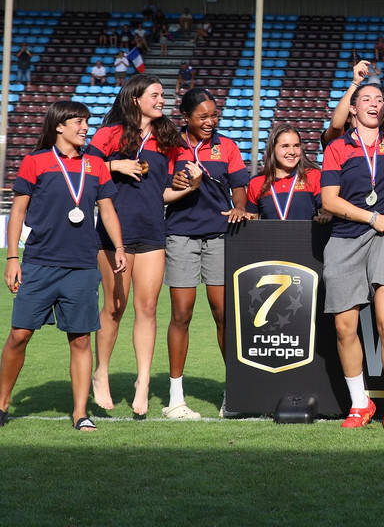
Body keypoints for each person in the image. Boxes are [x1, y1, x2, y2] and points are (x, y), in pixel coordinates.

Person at [0, 102, 126, 431]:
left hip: (83, 267)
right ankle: (1, 404)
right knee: (19, 335)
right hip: (40, 264)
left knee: (81, 340)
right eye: (79, 122)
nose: (86, 127)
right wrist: (13, 257)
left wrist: (120, 247)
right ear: (59, 126)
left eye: (87, 121)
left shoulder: (96, 164)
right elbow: (17, 213)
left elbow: (108, 210)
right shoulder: (35, 162)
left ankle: (80, 413)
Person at [87, 74, 183, 415]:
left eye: (162, 95)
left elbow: (166, 190)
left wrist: (190, 185)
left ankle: (142, 382)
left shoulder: (168, 137)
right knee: (114, 308)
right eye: (155, 95)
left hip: (153, 233)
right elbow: (83, 168)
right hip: (114, 237)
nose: (162, 100)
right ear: (134, 99)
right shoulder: (108, 134)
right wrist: (114, 164)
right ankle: (101, 374)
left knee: (148, 309)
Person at [320, 82, 384, 433]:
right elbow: (329, 200)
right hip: (346, 237)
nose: (375, 104)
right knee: (345, 327)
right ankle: (361, 404)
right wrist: (371, 216)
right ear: (353, 109)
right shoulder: (338, 147)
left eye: (379, 99)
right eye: (366, 99)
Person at [162, 89, 250, 420]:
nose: (211, 121)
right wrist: (182, 180)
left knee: (223, 314)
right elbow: (164, 186)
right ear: (185, 117)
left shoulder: (227, 146)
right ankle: (175, 397)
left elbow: (239, 187)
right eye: (203, 116)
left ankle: (236, 391)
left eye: (214, 115)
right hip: (181, 235)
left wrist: (240, 207)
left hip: (219, 236)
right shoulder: (171, 147)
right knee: (181, 314)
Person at [247, 123, 328, 222]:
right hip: (271, 238)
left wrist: (327, 215)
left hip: (306, 237)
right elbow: (252, 223)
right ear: (273, 149)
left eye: (296, 146)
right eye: (285, 146)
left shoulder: (313, 175)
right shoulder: (256, 182)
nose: (292, 152)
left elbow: (326, 210)